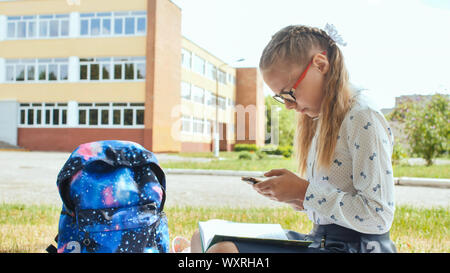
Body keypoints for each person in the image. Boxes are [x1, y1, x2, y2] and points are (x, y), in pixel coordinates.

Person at [188, 24, 397, 253]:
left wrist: (304, 192)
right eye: (280, 97)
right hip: (323, 240)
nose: (287, 105)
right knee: (202, 238)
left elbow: (378, 216)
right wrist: (296, 197)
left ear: (320, 65)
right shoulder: (319, 119)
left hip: (359, 247)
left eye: (289, 93)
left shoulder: (362, 116)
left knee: (224, 252)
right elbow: (331, 204)